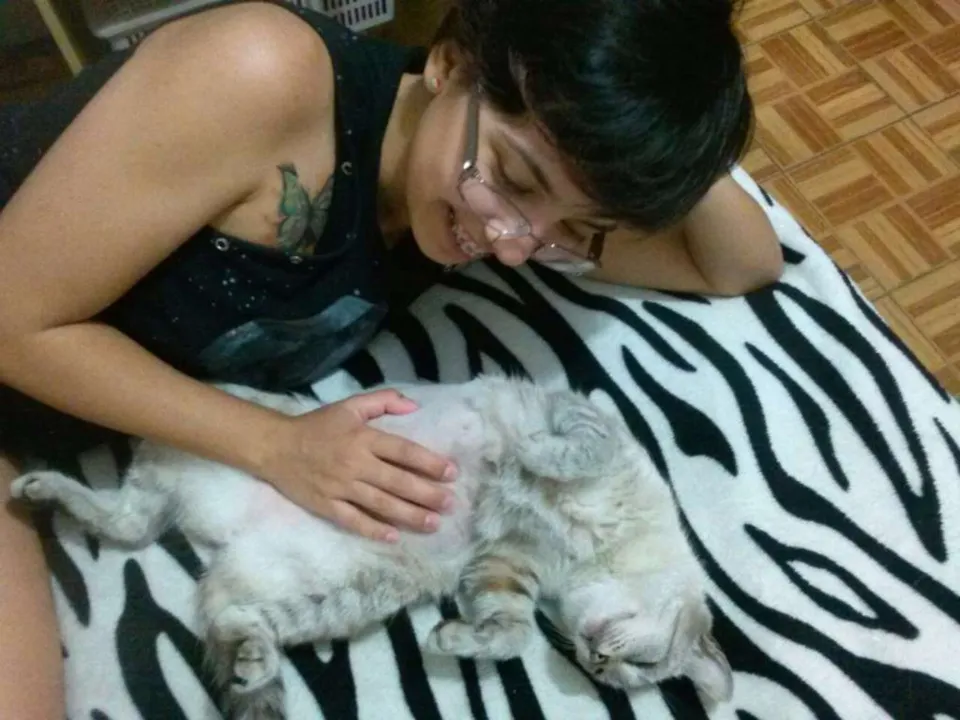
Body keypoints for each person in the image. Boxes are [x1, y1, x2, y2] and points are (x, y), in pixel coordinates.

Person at [0, 0, 782, 715]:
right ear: (449, 61)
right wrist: (275, 443)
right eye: (513, 178)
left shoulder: (497, 205)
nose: (512, 245)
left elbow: (742, 262)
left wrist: (656, 129)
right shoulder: (263, 73)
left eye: (574, 230)